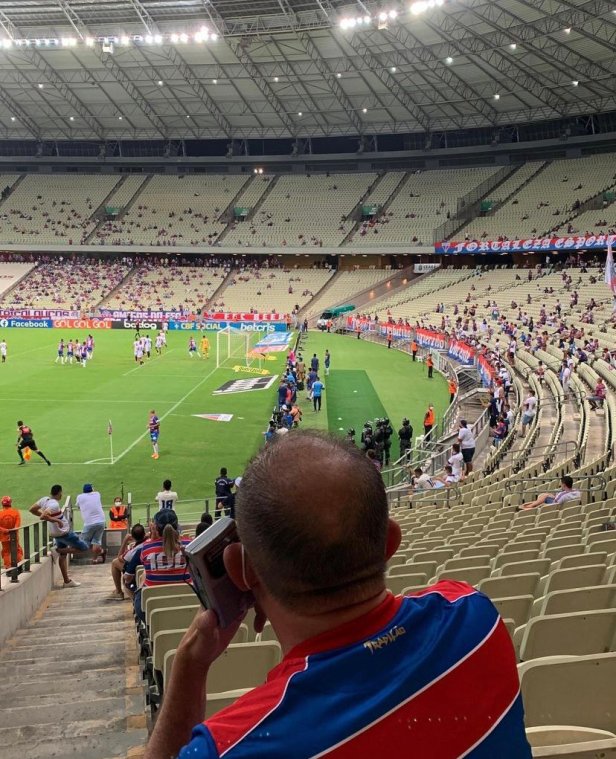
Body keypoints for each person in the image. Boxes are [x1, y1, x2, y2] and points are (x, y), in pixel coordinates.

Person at [145, 431, 530, 759]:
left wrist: (189, 667)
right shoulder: (475, 616)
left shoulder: (232, 746)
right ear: (389, 543)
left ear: (241, 572)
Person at [123, 509, 192, 621]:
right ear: (177, 526)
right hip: (187, 605)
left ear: (156, 528)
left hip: (152, 610)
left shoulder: (146, 548)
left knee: (144, 575)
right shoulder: (190, 545)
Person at [29, 484, 85, 588]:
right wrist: (57, 520)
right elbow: (43, 516)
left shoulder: (44, 499)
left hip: (56, 534)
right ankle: (57, 550)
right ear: (59, 493)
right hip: (64, 533)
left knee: (63, 556)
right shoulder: (54, 505)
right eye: (61, 493)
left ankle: (67, 581)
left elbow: (32, 509)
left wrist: (49, 517)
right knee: (83, 548)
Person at [109, 523, 147, 601]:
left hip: (136, 573)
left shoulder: (133, 552)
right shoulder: (149, 543)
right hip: (145, 569)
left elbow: (119, 557)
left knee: (115, 562)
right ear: (144, 534)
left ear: (132, 537)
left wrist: (125, 541)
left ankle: (119, 592)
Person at [75, 484, 107, 564]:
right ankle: (96, 557)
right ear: (92, 489)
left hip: (89, 523)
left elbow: (78, 506)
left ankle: (100, 554)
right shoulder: (97, 494)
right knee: (96, 541)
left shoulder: (80, 497)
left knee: (84, 542)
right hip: (101, 521)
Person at [0, 495, 22, 575]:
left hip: (4, 537)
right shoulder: (16, 512)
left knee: (6, 552)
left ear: (2, 504)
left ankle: (9, 570)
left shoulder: (0, 513)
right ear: (10, 503)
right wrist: (11, 532)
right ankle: (19, 567)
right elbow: (17, 526)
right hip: (14, 536)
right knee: (17, 550)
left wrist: (6, 531)